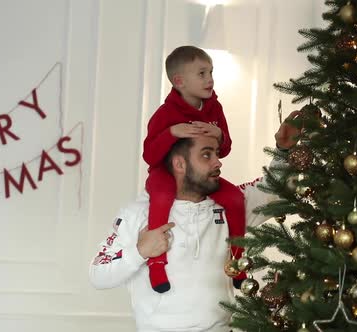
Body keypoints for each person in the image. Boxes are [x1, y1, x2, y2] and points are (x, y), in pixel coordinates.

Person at [89, 115, 300, 332]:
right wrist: (140, 251)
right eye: (206, 155)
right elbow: (98, 273)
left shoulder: (232, 206)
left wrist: (283, 151)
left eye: (217, 154)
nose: (218, 162)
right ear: (179, 164)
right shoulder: (138, 212)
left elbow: (275, 190)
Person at [142, 45, 245, 293]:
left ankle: (237, 260)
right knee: (163, 197)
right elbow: (150, 156)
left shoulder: (215, 109)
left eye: (211, 72)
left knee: (235, 198)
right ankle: (157, 264)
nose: (210, 79)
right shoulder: (165, 114)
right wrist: (171, 133)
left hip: (200, 174)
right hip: (165, 174)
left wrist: (219, 135)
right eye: (202, 74)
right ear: (179, 81)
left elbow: (226, 148)